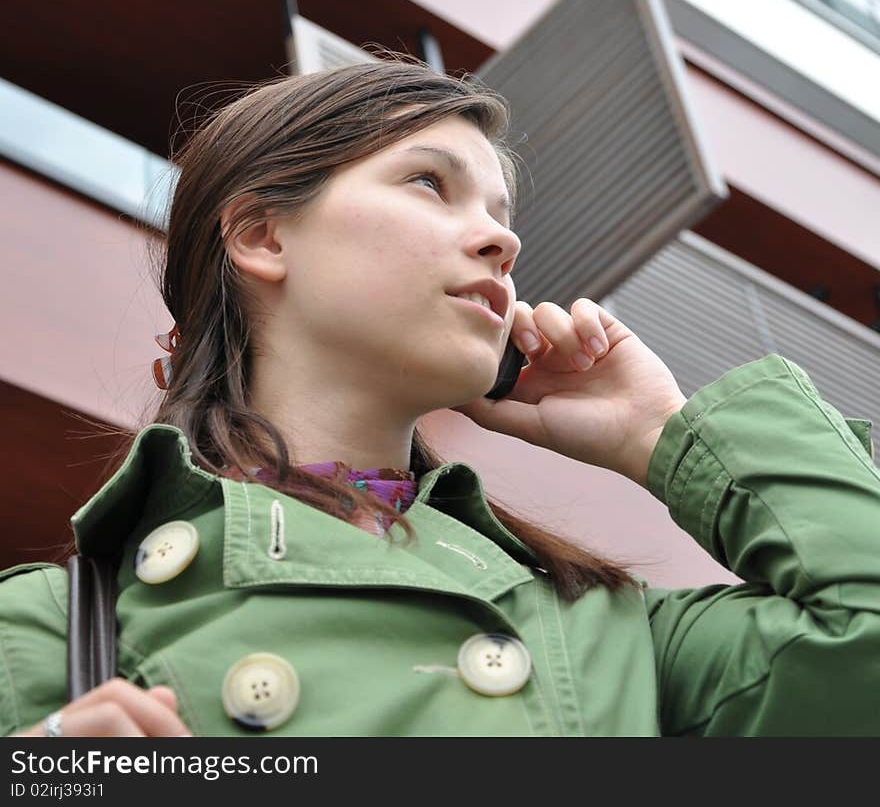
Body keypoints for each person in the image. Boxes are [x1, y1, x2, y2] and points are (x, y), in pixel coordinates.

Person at [2, 57, 878, 738]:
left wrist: (659, 433)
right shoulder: (55, 624)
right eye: (430, 182)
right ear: (264, 234)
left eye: (501, 210)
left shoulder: (610, 637)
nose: (504, 236)